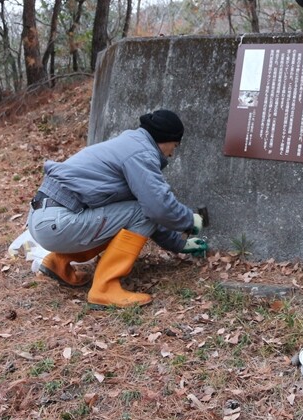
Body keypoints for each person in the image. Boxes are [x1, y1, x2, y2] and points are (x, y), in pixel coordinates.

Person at [27, 109, 207, 309]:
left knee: (126, 213)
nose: (172, 153)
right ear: (166, 139)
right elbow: (156, 208)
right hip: (57, 222)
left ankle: (58, 262)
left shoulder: (129, 145)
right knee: (141, 210)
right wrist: (190, 221)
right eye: (175, 145)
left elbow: (142, 210)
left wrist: (178, 244)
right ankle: (104, 288)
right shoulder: (141, 154)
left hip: (44, 218)